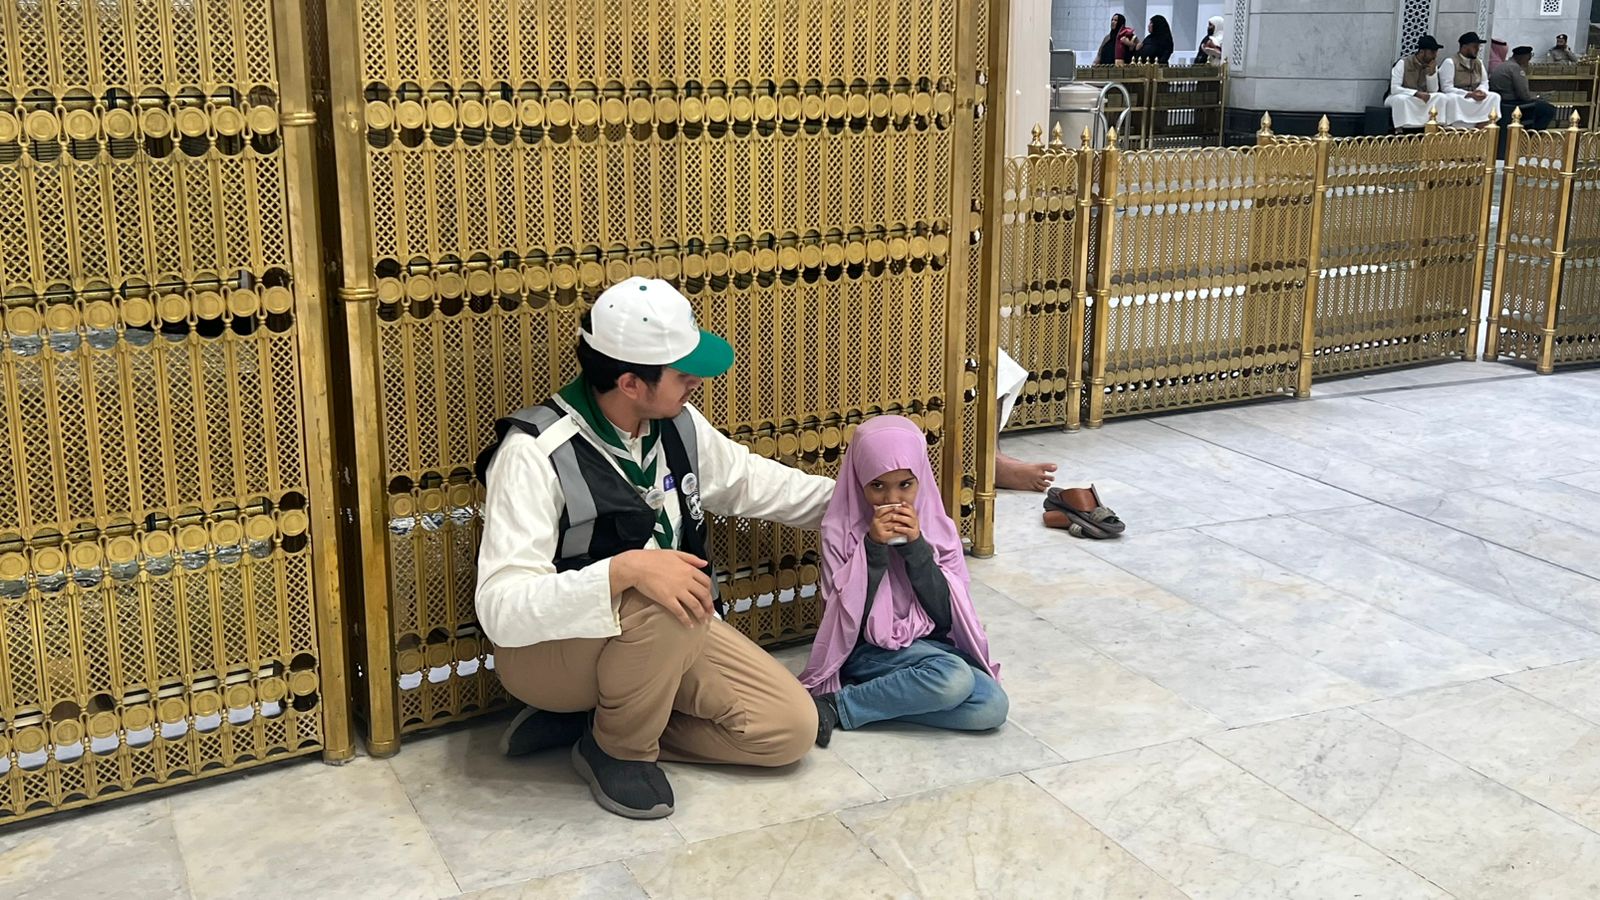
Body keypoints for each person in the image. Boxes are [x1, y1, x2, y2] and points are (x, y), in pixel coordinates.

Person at [475, 277, 836, 819]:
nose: (696, 382)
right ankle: (618, 750)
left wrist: (853, 506)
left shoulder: (677, 424)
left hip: (662, 635)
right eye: (682, 373)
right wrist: (624, 572)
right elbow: (500, 609)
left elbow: (751, 482)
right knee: (663, 593)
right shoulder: (533, 453)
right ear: (630, 383)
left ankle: (596, 720)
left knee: (787, 730)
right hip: (549, 653)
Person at [800, 416, 1006, 747]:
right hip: (868, 652)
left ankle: (863, 702)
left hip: (929, 646)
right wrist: (872, 549)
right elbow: (847, 622)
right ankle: (843, 704)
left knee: (991, 707)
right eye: (877, 486)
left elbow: (946, 618)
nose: (891, 499)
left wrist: (916, 549)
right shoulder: (840, 530)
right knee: (953, 679)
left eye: (905, 485)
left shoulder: (938, 528)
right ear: (859, 481)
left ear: (920, 478)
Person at [1387, 35, 1456, 131]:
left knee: (1441, 97)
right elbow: (1394, 88)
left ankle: (1436, 126)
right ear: (1422, 52)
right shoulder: (1403, 63)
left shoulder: (1432, 65)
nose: (1435, 56)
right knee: (1401, 100)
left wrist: (1431, 74)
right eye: (1432, 52)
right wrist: (1415, 93)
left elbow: (1433, 90)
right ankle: (1403, 129)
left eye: (1435, 52)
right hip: (1403, 96)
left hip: (1422, 97)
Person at [1438, 32, 1499, 127]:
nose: (1477, 49)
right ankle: (1457, 128)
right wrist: (1469, 94)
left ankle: (1482, 125)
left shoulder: (1478, 63)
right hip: (1461, 97)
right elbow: (1447, 88)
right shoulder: (1450, 62)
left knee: (1495, 96)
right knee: (1452, 98)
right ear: (1464, 47)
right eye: (1475, 46)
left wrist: (1480, 91)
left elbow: (1484, 82)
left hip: (1475, 95)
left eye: (1478, 46)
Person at [1490, 45, 1558, 129]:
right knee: (1548, 109)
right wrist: (1537, 97)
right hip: (1511, 103)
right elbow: (1524, 95)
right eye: (1529, 57)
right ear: (1523, 57)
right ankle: (1533, 134)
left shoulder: (1504, 65)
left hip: (1501, 102)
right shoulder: (1515, 68)